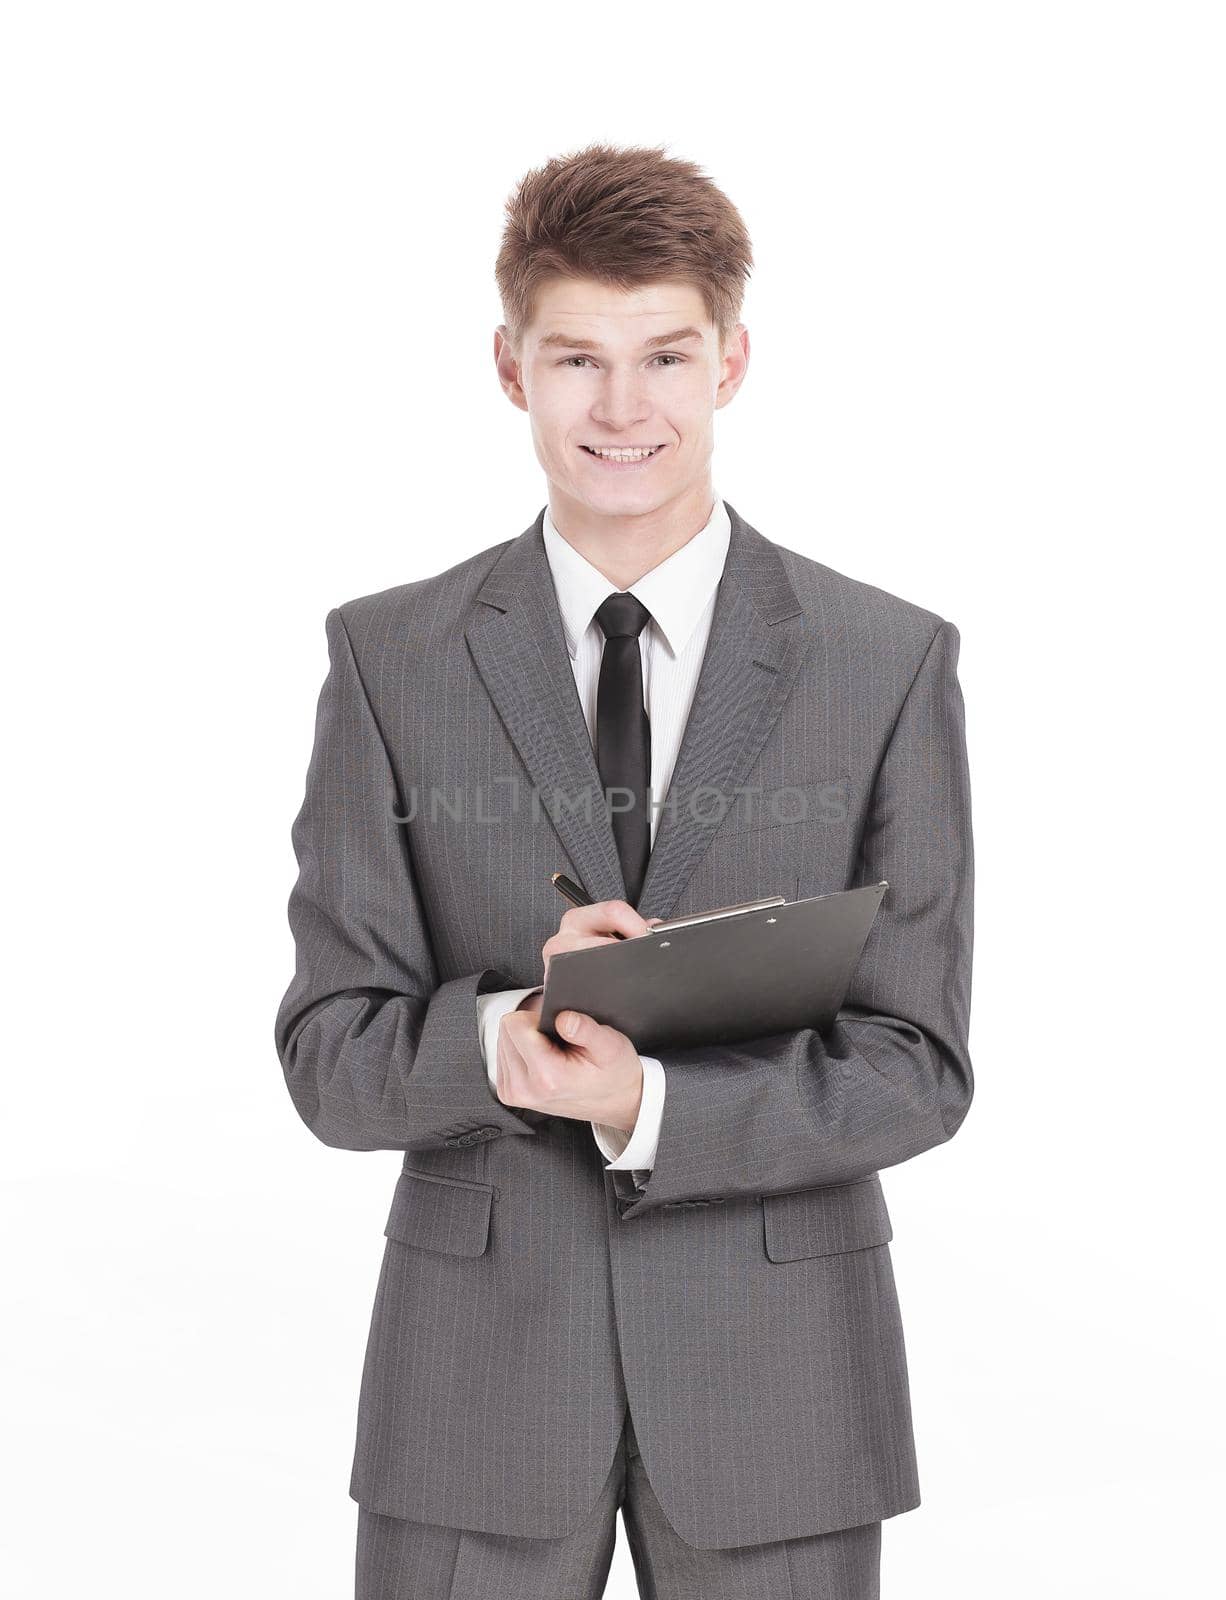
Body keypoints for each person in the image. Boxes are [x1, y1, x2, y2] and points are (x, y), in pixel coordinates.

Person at [275, 141, 975, 1600]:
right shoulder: (389, 657)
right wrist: (503, 1037)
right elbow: (330, 1058)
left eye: (661, 355)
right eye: (576, 358)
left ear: (728, 361)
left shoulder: (884, 661)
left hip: (778, 1381)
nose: (620, 408)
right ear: (507, 366)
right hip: (473, 1383)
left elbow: (915, 1063)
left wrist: (646, 1103)